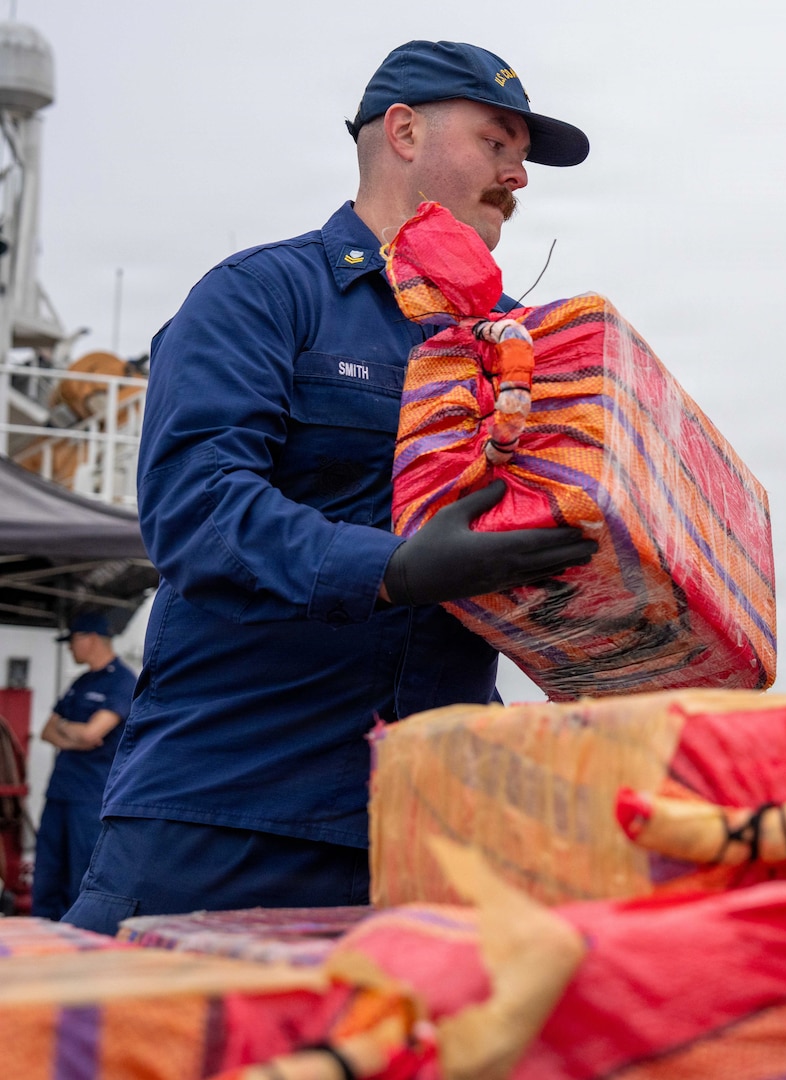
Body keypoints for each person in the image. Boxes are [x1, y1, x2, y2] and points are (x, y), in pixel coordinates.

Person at [64, 41, 598, 933]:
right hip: (227, 813)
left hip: (437, 837)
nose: (519, 175)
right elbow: (197, 511)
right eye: (498, 142)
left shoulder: (511, 356)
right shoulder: (262, 298)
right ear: (402, 130)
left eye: (523, 156)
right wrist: (392, 568)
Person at [32, 612, 137, 920]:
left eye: (71, 642)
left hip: (90, 797)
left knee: (80, 874)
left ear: (88, 639)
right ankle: (40, 937)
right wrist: (74, 733)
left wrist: (70, 730)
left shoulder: (122, 681)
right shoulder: (80, 682)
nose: (69, 649)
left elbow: (93, 733)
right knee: (48, 872)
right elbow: (47, 731)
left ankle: (75, 943)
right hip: (61, 793)